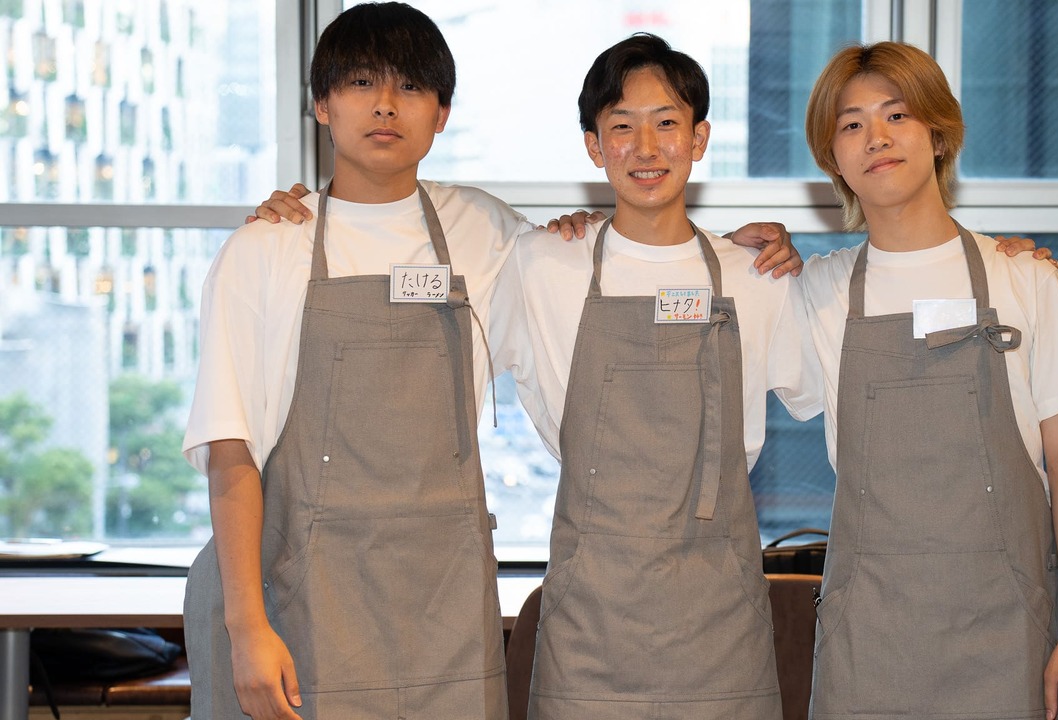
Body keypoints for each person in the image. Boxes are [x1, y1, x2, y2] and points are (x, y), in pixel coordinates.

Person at [182, 5, 544, 719]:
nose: (385, 104)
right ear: (322, 104)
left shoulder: (487, 230)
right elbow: (231, 450)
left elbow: (608, 263)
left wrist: (737, 249)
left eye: (410, 86)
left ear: (441, 112)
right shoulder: (267, 248)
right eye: (358, 82)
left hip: (442, 610)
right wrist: (247, 625)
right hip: (292, 597)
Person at [487, 33, 822, 720]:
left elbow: (829, 382)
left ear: (699, 138)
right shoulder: (542, 265)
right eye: (622, 127)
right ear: (593, 145)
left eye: (666, 123)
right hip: (590, 625)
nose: (646, 148)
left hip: (719, 623)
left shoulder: (755, 277)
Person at [798, 42, 1058, 720]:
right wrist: (749, 241)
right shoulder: (815, 292)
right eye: (850, 125)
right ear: (835, 160)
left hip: (1008, 637)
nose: (875, 138)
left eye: (897, 115)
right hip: (867, 647)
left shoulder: (1023, 278)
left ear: (938, 133)